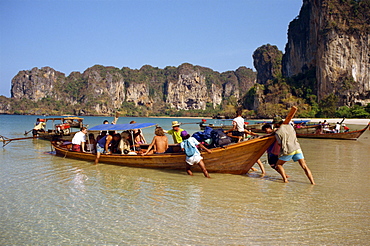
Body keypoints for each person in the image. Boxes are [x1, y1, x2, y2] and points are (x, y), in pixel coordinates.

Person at [273, 117, 315, 184]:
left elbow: (279, 143)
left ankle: (285, 180)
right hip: (297, 148)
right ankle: (312, 182)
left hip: (289, 149)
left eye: (275, 124)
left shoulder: (277, 133)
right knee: (304, 166)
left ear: (277, 124)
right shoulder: (290, 127)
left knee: (278, 165)